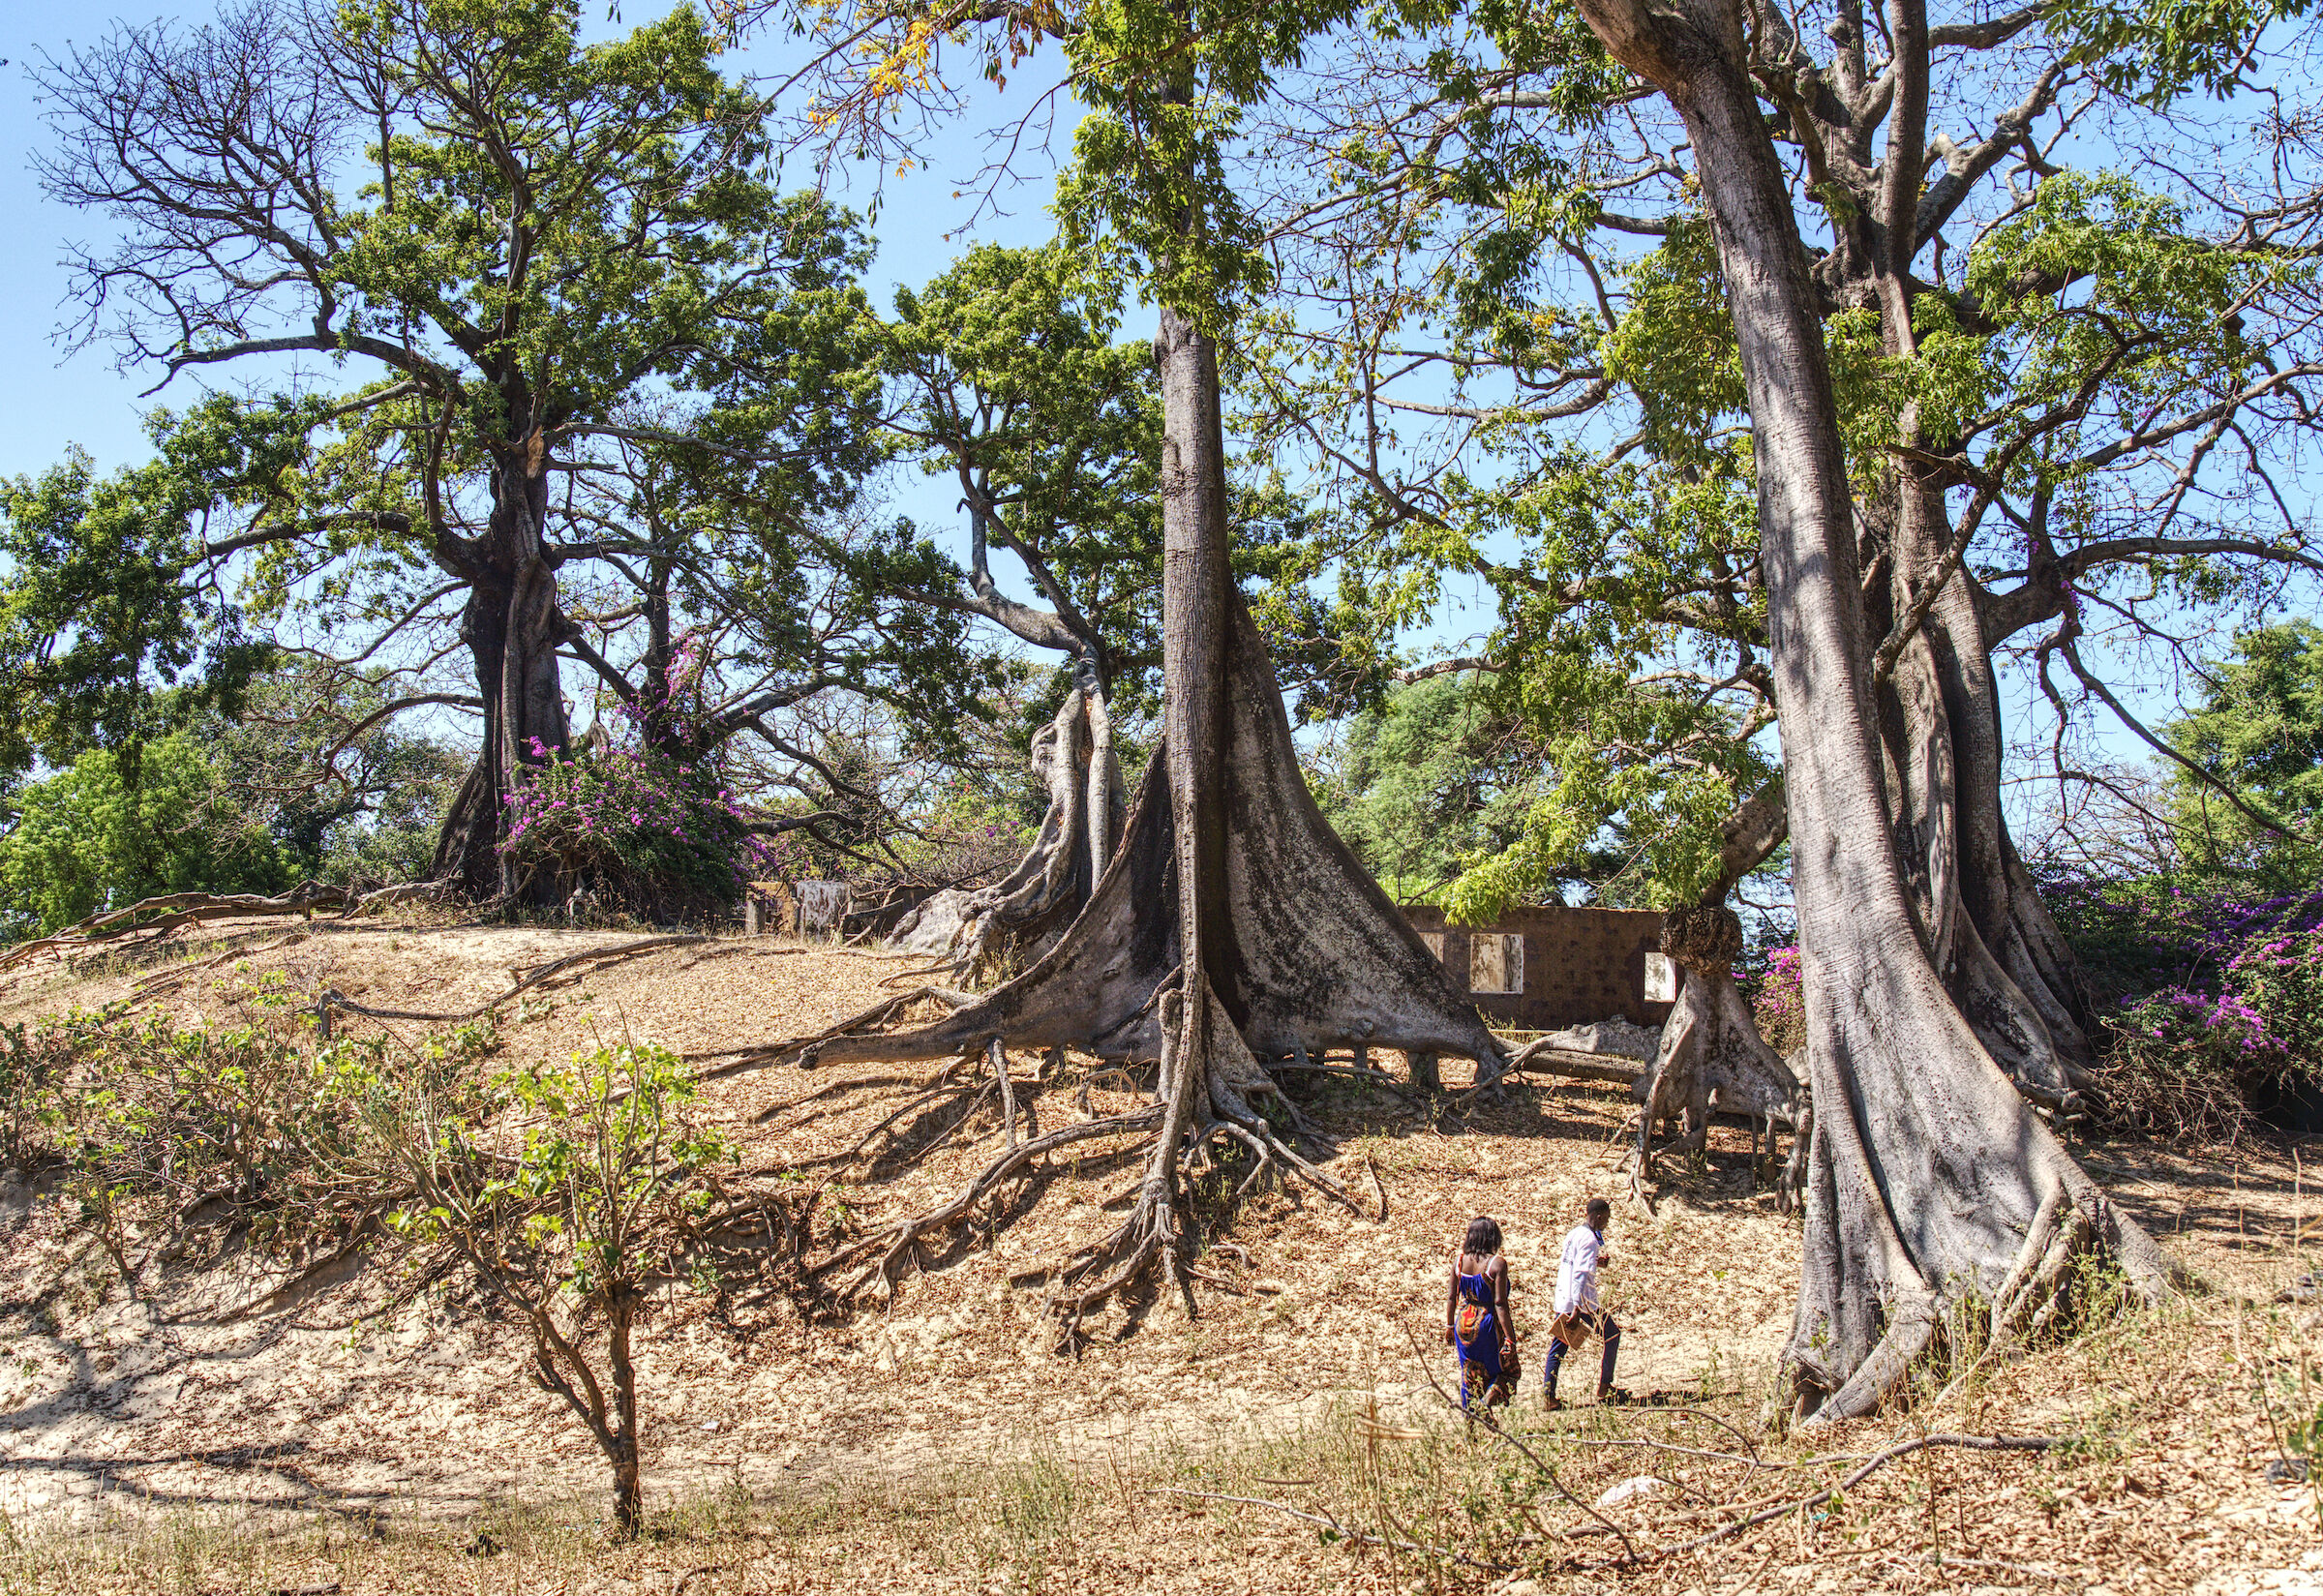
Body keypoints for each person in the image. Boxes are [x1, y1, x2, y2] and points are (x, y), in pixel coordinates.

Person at [1545, 1197, 1623, 1409]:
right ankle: (1605, 1386)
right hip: (1582, 1302)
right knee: (1612, 1334)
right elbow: (1579, 1274)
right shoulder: (1589, 1239)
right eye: (1606, 1219)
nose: (1607, 1222)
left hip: (1565, 1297)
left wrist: (1597, 1262)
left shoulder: (1575, 1234)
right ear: (1598, 1217)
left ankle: (1549, 1395)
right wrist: (1577, 1309)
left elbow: (1575, 1261)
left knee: (1559, 1346)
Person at [1446, 1214, 1519, 1408]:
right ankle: (1485, 1405)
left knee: (1469, 1373)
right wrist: (1510, 1337)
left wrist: (1449, 1325)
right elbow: (1500, 1303)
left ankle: (1470, 1427)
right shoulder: (1496, 1264)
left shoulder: (1459, 1262)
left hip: (1463, 1323)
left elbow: (1452, 1297)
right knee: (1506, 1372)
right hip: (1487, 1324)